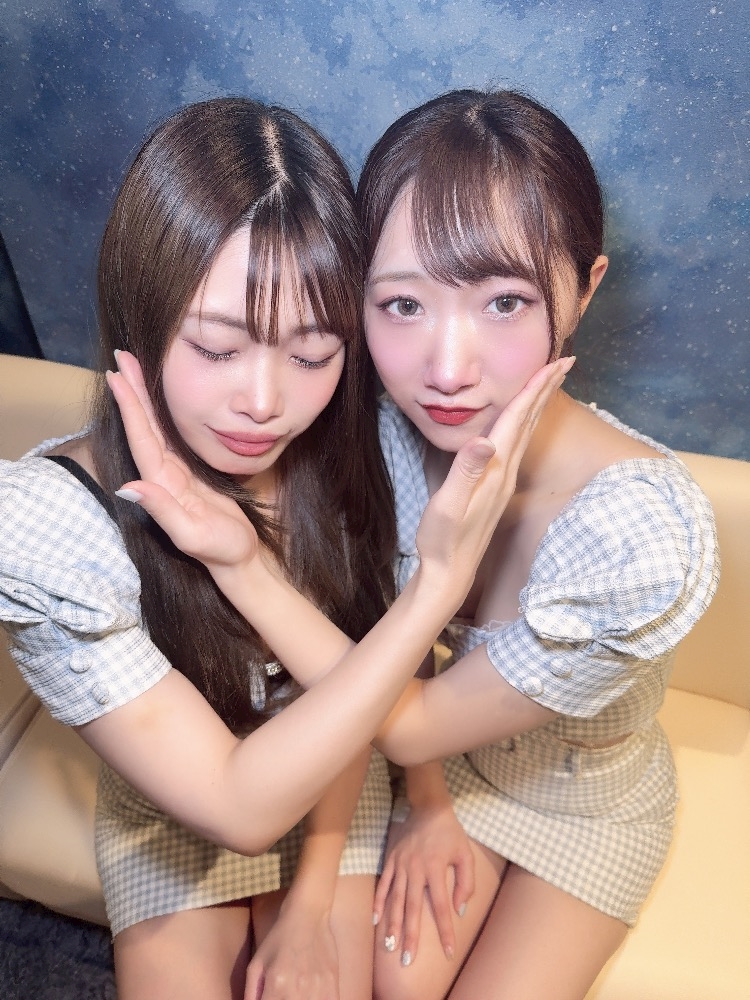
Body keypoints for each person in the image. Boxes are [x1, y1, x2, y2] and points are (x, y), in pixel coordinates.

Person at [0, 96, 568, 1000]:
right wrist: (440, 581)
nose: (265, 404)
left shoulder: (349, 442)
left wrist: (314, 897)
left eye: (310, 355)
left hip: (341, 774)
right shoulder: (50, 527)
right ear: (138, 314)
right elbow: (233, 804)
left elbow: (357, 675)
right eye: (218, 348)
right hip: (178, 804)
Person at [355, 89, 721, 1000]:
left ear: (584, 289)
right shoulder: (381, 438)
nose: (447, 370)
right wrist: (427, 803)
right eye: (402, 303)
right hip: (446, 767)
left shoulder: (634, 538)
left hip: (589, 800)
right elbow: (397, 676)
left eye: (505, 301)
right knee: (395, 985)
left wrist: (242, 566)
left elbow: (400, 717)